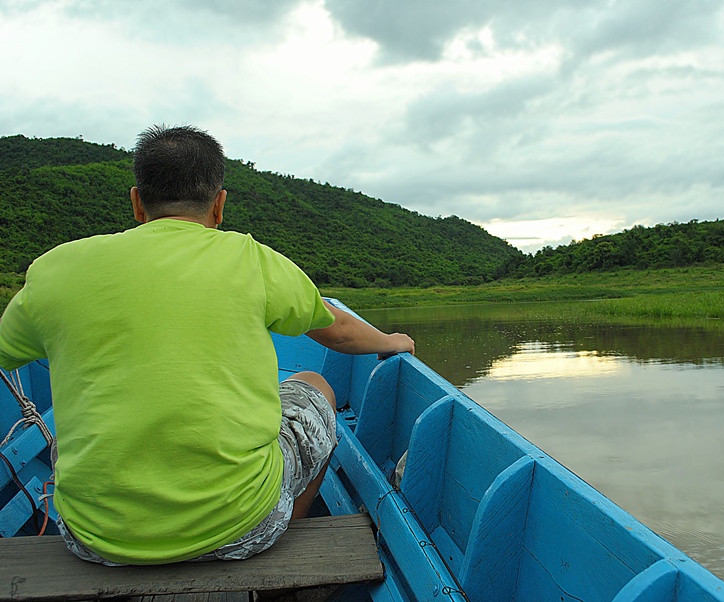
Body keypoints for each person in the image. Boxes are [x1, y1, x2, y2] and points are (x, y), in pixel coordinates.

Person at [0, 124, 414, 565]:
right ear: (219, 206)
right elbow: (341, 333)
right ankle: (277, 542)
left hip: (94, 540)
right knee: (317, 387)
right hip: (242, 530)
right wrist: (392, 339)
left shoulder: (56, 270)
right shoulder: (253, 260)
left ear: (137, 202)